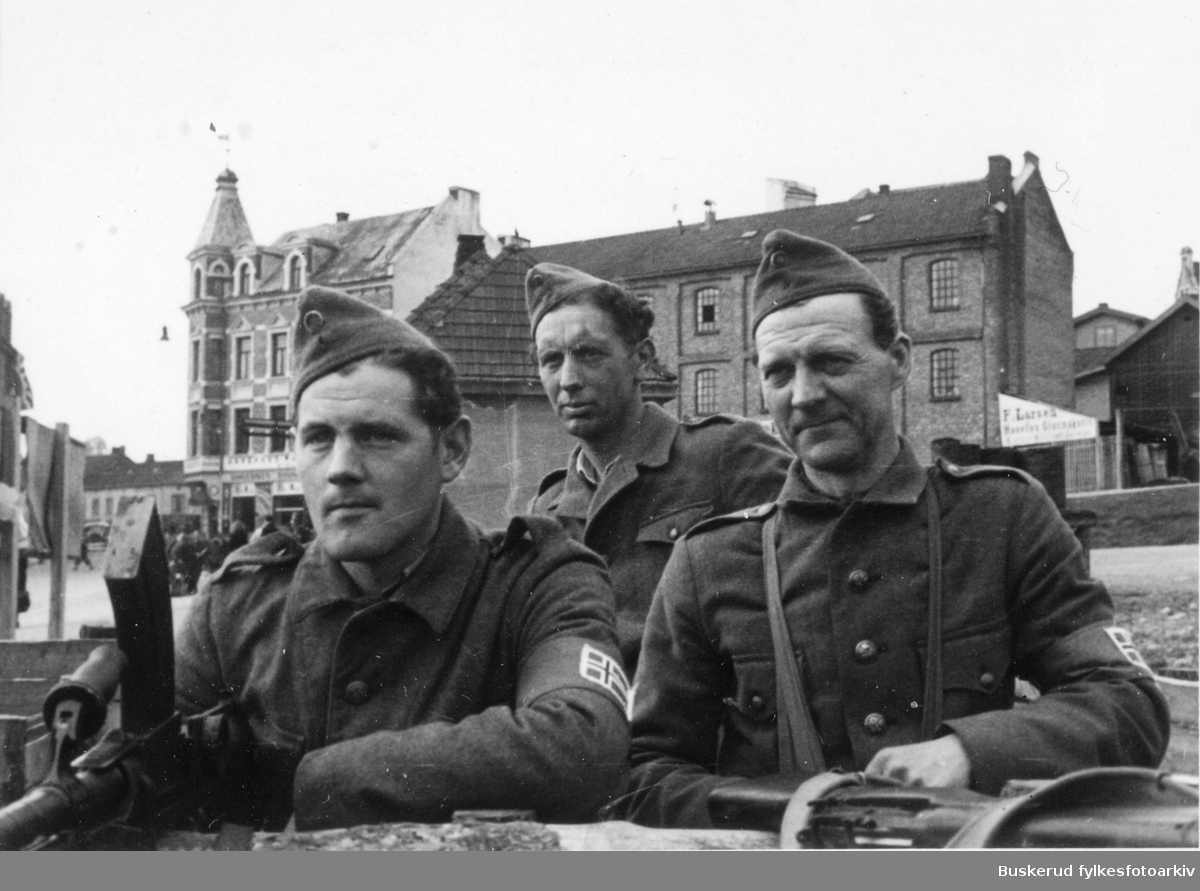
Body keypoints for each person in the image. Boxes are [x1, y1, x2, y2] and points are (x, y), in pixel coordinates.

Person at [619, 231, 1171, 828]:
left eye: (833, 362)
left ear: (899, 359)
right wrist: (791, 810)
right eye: (779, 373)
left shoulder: (1002, 517)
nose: (803, 395)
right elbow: (646, 772)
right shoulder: (709, 560)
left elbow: (1128, 703)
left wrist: (969, 751)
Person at [175, 285, 630, 831]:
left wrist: (317, 782)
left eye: (377, 436)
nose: (341, 467)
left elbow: (582, 742)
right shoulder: (238, 605)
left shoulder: (537, 582)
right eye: (318, 438)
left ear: (452, 451)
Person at [526, 263, 792, 672]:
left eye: (589, 354)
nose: (568, 379)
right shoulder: (547, 510)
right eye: (550, 360)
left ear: (642, 359)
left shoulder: (728, 454)